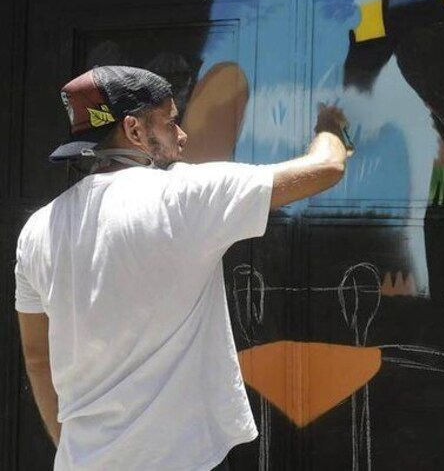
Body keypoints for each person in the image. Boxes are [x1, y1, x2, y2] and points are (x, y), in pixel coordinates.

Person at [14, 66, 352, 470]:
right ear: (134, 130)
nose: (182, 135)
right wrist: (330, 128)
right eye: (171, 122)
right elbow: (327, 168)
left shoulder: (37, 231)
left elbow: (37, 358)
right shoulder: (183, 196)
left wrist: (70, 448)